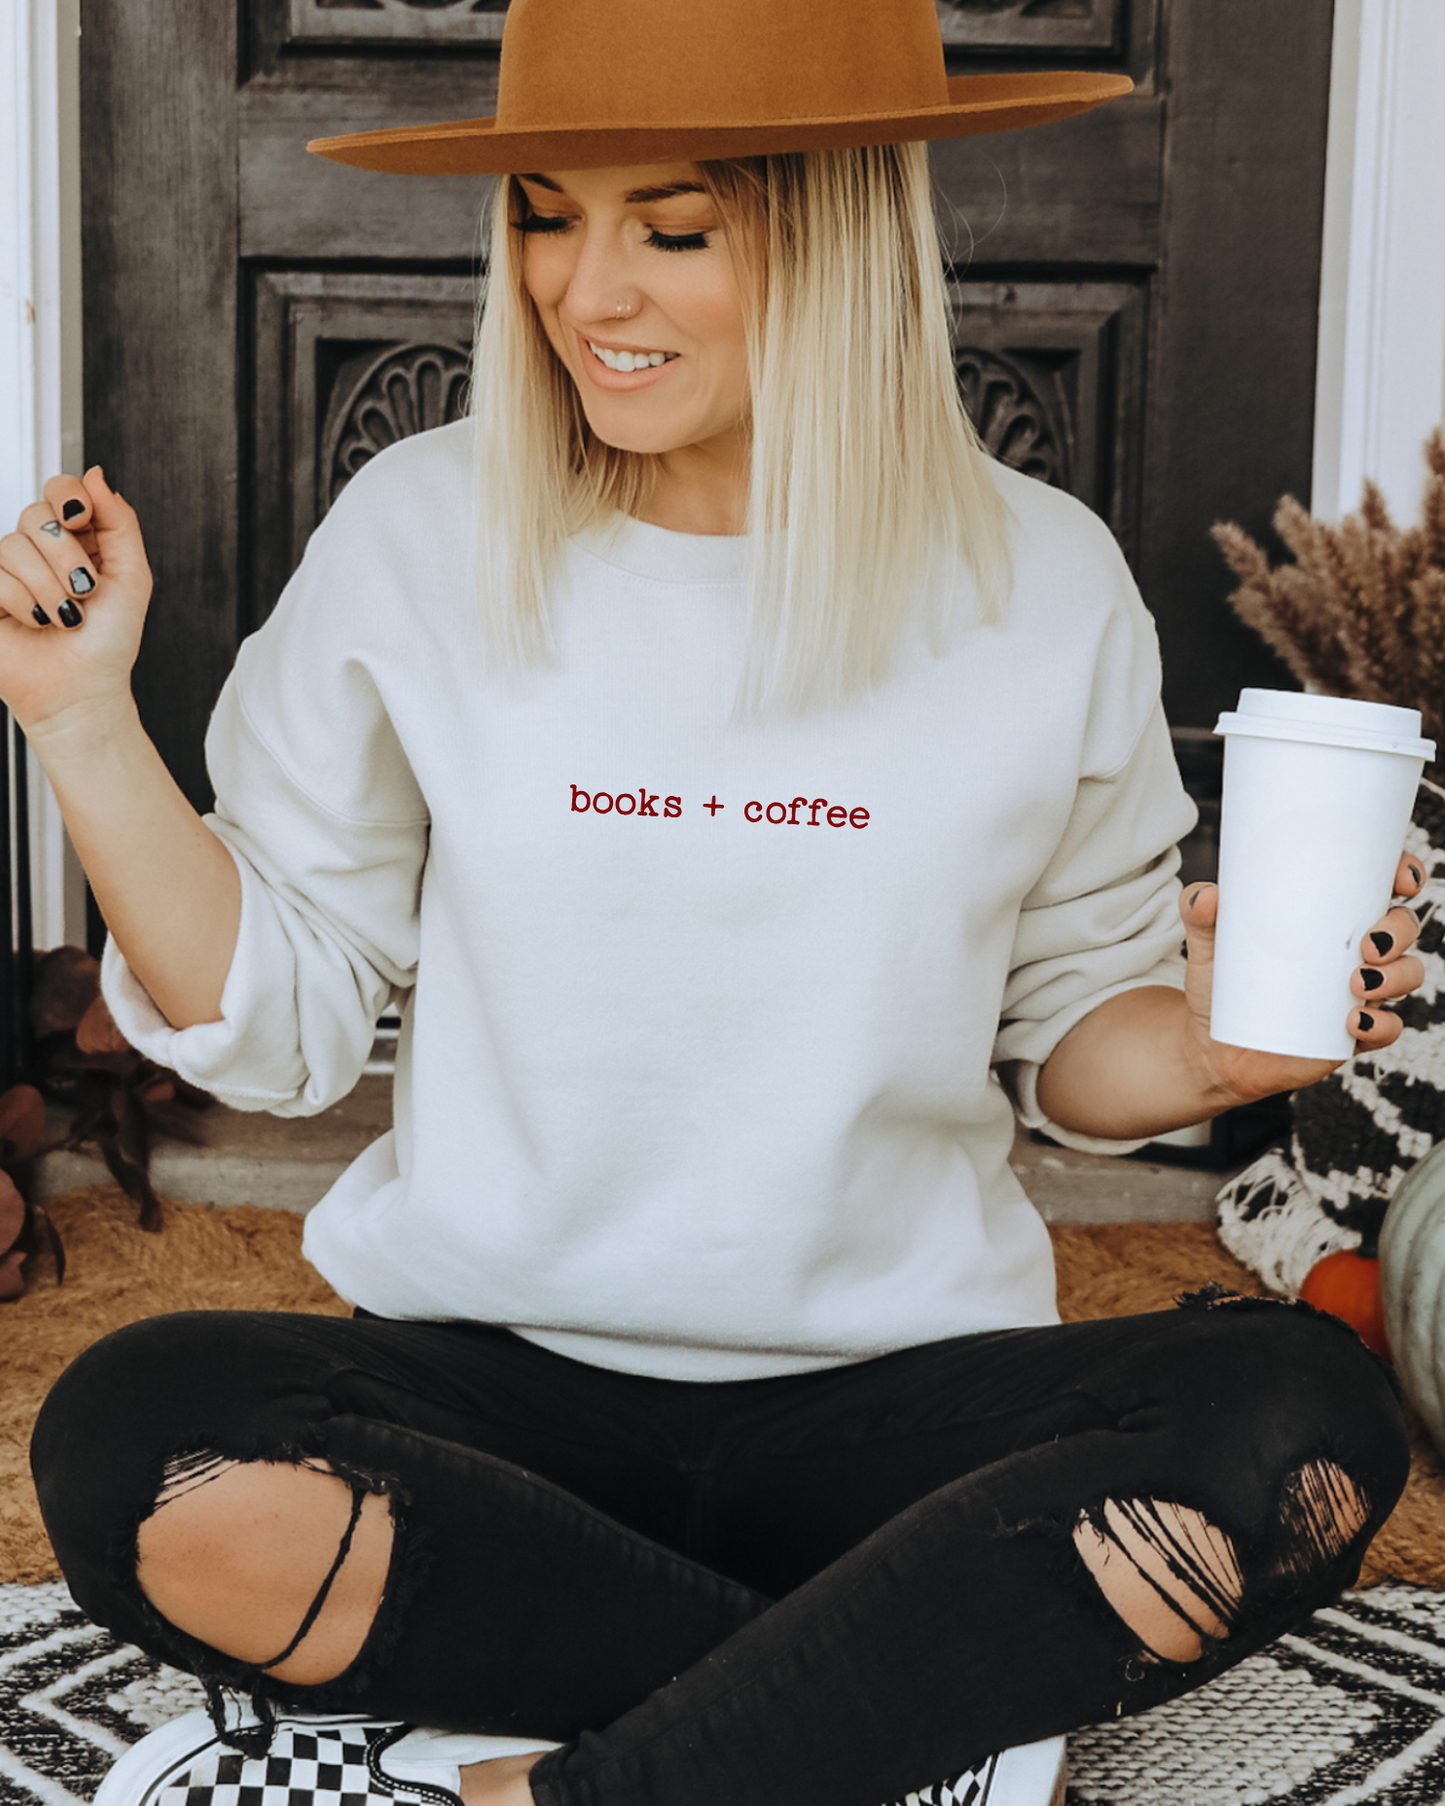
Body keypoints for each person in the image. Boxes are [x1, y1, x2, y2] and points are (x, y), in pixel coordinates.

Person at [10, 1, 1422, 1803]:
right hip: (488, 1386)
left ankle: (612, 1777)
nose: (586, 291)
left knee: (1303, 1426)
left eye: (674, 229)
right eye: (545, 213)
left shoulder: (1042, 584)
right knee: (136, 1440)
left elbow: (1075, 1044)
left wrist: (1227, 1049)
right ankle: (891, 1694)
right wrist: (80, 724)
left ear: (838, 227)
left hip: (896, 1403)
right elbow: (276, 1020)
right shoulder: (420, 532)